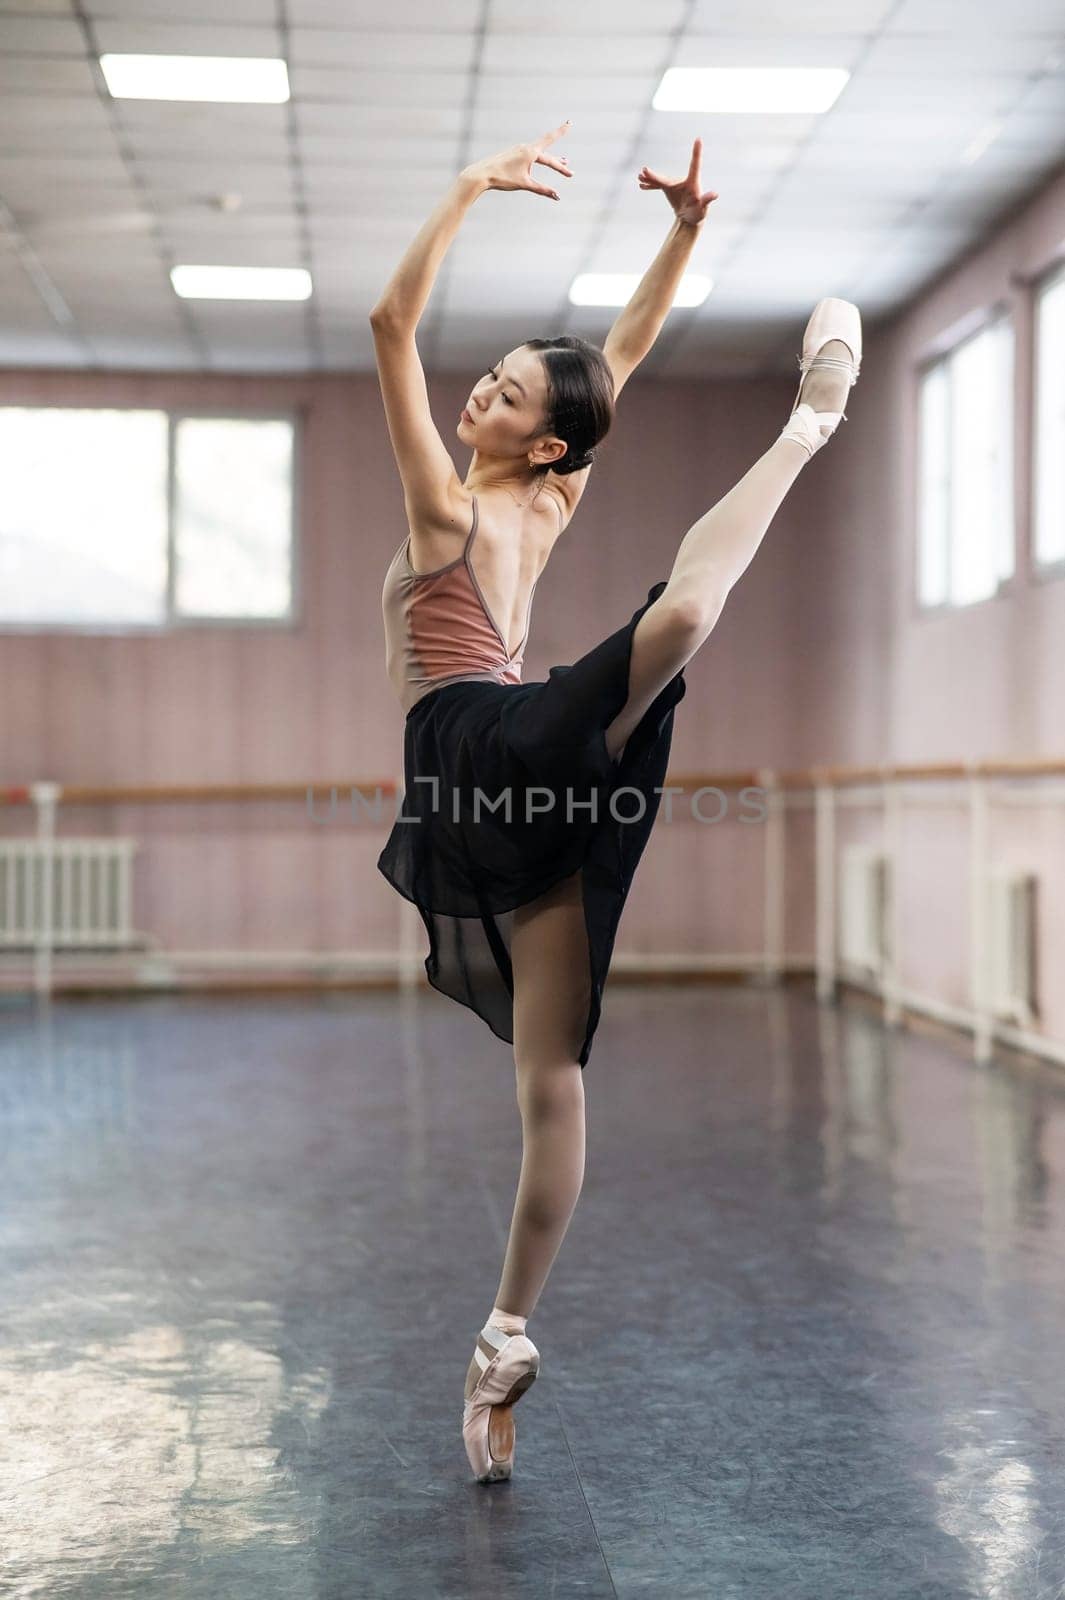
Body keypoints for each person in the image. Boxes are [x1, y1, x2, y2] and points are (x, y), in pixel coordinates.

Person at [369, 120, 861, 1483]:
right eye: (491, 377)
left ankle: (503, 1334)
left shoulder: (500, 503)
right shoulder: (465, 504)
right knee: (672, 631)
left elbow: (448, 334)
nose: (479, 394)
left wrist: (501, 199)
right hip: (480, 750)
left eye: (511, 394)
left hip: (507, 750)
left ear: (546, 446)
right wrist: (674, 233)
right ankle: (494, 1355)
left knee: (687, 614)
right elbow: (455, 335)